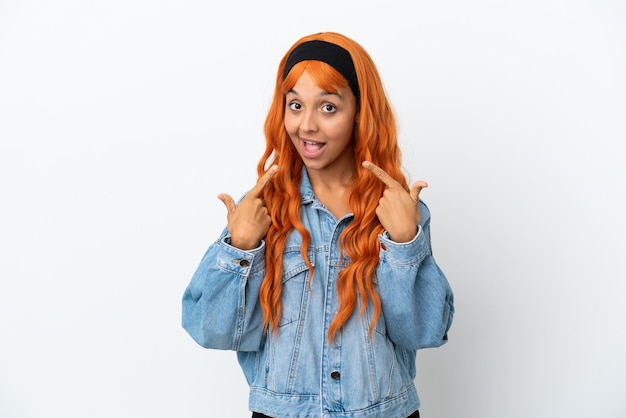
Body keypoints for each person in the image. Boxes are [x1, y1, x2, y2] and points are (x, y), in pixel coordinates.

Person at [182, 31, 454, 418]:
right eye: (295, 105)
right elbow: (212, 331)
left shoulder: (398, 210)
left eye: (328, 108)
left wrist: (405, 241)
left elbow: (423, 332)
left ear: (360, 111)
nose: (307, 125)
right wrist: (239, 248)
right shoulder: (262, 209)